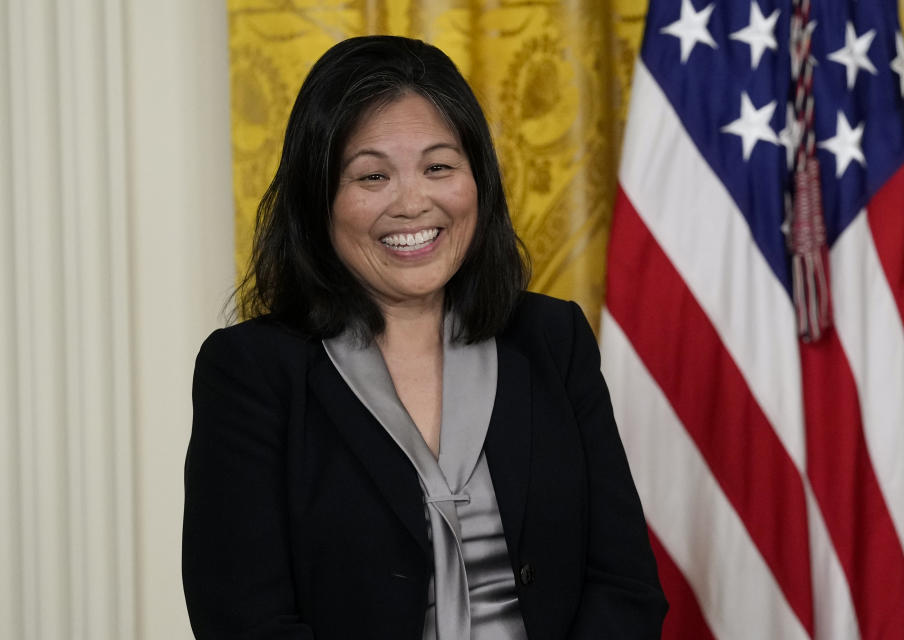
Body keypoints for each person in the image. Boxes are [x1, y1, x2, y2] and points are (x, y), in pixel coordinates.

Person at [182, 35, 667, 639]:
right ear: (319, 200)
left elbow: (624, 586)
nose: (413, 202)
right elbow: (243, 622)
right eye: (371, 176)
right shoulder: (249, 371)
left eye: (439, 166)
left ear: (478, 181)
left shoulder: (552, 338)